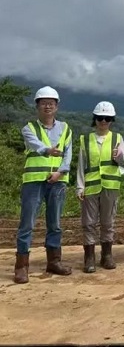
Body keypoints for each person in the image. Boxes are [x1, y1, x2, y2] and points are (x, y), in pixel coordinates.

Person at [14, 86, 73, 284]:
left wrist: (60, 172)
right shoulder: (29, 128)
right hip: (33, 181)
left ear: (57, 106)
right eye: (44, 103)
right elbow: (35, 145)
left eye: (51, 103)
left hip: (58, 181)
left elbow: (68, 154)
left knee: (55, 223)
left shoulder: (65, 128)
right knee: (27, 223)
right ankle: (21, 266)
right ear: (37, 106)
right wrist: (47, 150)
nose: (47, 106)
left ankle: (54, 261)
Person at [76, 101, 124, 273]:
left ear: (111, 120)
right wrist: (80, 186)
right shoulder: (85, 139)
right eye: (100, 118)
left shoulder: (117, 138)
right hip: (91, 186)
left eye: (107, 118)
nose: (103, 121)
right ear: (95, 119)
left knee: (108, 222)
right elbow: (81, 165)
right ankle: (89, 257)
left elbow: (121, 160)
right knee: (88, 223)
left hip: (110, 186)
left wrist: (118, 156)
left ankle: (107, 255)